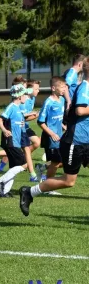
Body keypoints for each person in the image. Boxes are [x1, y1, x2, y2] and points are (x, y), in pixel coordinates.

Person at [20, 57, 89, 216]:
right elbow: (80, 111)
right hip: (75, 142)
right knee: (68, 181)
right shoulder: (85, 87)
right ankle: (29, 192)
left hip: (86, 140)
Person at [0, 84, 32, 197]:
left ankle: (4, 192)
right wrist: (4, 130)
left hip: (15, 141)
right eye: (25, 94)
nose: (27, 97)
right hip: (10, 141)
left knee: (13, 167)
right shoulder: (11, 106)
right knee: (24, 165)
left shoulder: (18, 108)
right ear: (19, 96)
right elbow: (0, 119)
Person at [35, 77, 67, 185]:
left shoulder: (62, 100)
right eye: (62, 87)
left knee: (64, 161)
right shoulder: (48, 102)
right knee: (56, 162)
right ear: (53, 88)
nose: (64, 89)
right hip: (50, 138)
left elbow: (57, 118)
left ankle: (41, 167)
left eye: (65, 87)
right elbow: (40, 122)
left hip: (59, 135)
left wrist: (63, 126)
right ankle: (47, 186)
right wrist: (52, 133)